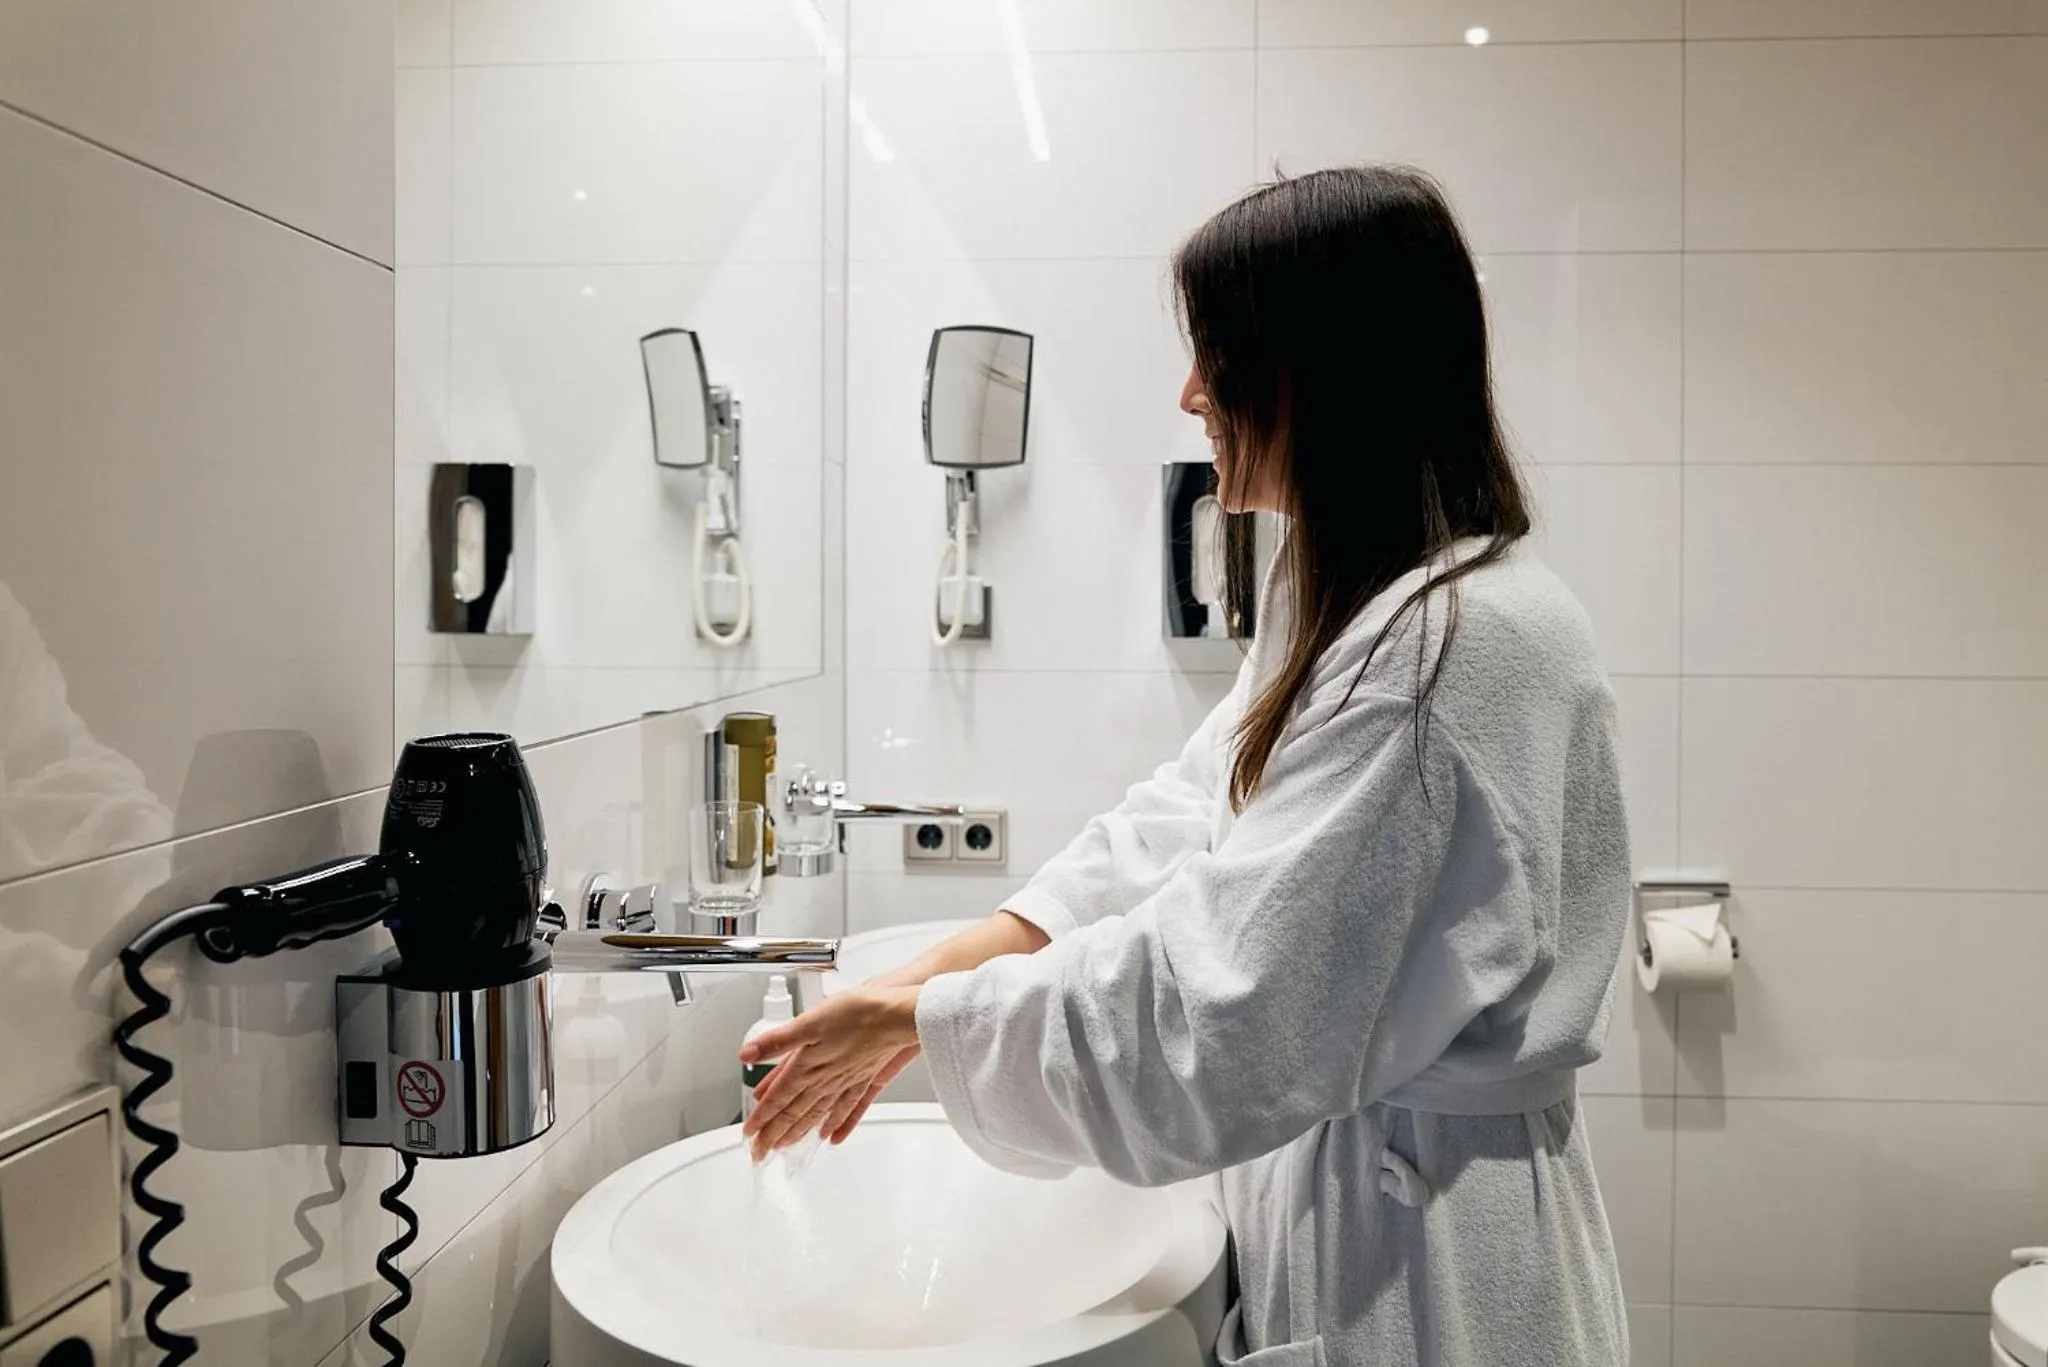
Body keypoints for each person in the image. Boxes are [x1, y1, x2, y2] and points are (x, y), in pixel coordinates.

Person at [740, 164, 1632, 1365]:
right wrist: (968, 956)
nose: (1191, 392)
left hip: (1436, 1271)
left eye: (1220, 354)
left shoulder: (1448, 649)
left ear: (1321, 370)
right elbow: (1197, 808)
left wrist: (925, 1020)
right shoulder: (1350, 591)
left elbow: (1222, 1015)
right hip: (1370, 1190)